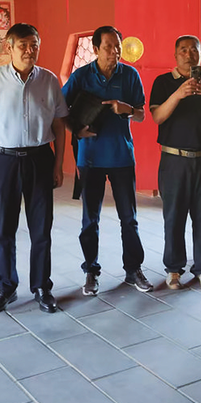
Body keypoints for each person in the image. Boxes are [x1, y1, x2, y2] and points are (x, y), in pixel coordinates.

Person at [0, 23, 68, 314]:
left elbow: (59, 126)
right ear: (9, 48)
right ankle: (6, 287)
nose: (29, 50)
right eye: (23, 45)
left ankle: (41, 287)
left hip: (40, 159)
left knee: (41, 229)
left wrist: (58, 164)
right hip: (3, 160)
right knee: (5, 229)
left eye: (34, 45)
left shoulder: (49, 80)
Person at [62, 26, 152, 297]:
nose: (115, 51)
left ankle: (133, 269)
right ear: (96, 48)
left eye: (118, 46)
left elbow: (141, 115)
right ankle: (91, 271)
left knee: (129, 219)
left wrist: (127, 110)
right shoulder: (81, 76)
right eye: (108, 47)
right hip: (90, 158)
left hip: (122, 156)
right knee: (90, 220)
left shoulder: (130, 75)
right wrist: (76, 131)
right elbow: (60, 109)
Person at [150, 35, 201, 291]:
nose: (188, 54)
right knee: (173, 216)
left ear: (200, 55)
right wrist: (178, 94)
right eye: (183, 50)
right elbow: (157, 117)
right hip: (174, 160)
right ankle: (173, 269)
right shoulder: (163, 82)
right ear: (175, 55)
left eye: (193, 50)